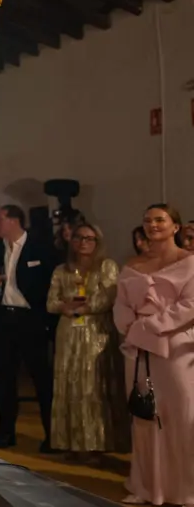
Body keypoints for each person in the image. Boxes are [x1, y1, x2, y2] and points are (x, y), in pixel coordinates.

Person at [114, 204, 194, 506]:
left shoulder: (189, 262)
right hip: (138, 349)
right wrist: (130, 327)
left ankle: (185, 489)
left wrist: (148, 327)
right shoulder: (133, 264)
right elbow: (121, 304)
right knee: (144, 417)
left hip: (175, 347)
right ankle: (147, 487)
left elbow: (189, 305)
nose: (153, 224)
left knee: (181, 416)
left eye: (160, 219)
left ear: (175, 226)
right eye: (147, 220)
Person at [0, 204, 58, 451]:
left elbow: (50, 284)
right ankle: (6, 433)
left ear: (14, 221)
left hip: (30, 319)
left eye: (0, 219)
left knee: (41, 378)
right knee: (5, 379)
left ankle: (52, 435)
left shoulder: (41, 248)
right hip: (3, 318)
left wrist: (46, 320)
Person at [46, 223, 127, 455]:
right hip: (68, 332)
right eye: (79, 238)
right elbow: (50, 302)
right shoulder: (62, 270)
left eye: (89, 239)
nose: (83, 243)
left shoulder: (106, 267)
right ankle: (72, 443)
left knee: (94, 386)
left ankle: (99, 442)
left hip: (96, 331)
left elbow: (109, 298)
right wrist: (65, 307)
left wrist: (83, 308)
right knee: (69, 385)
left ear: (97, 242)